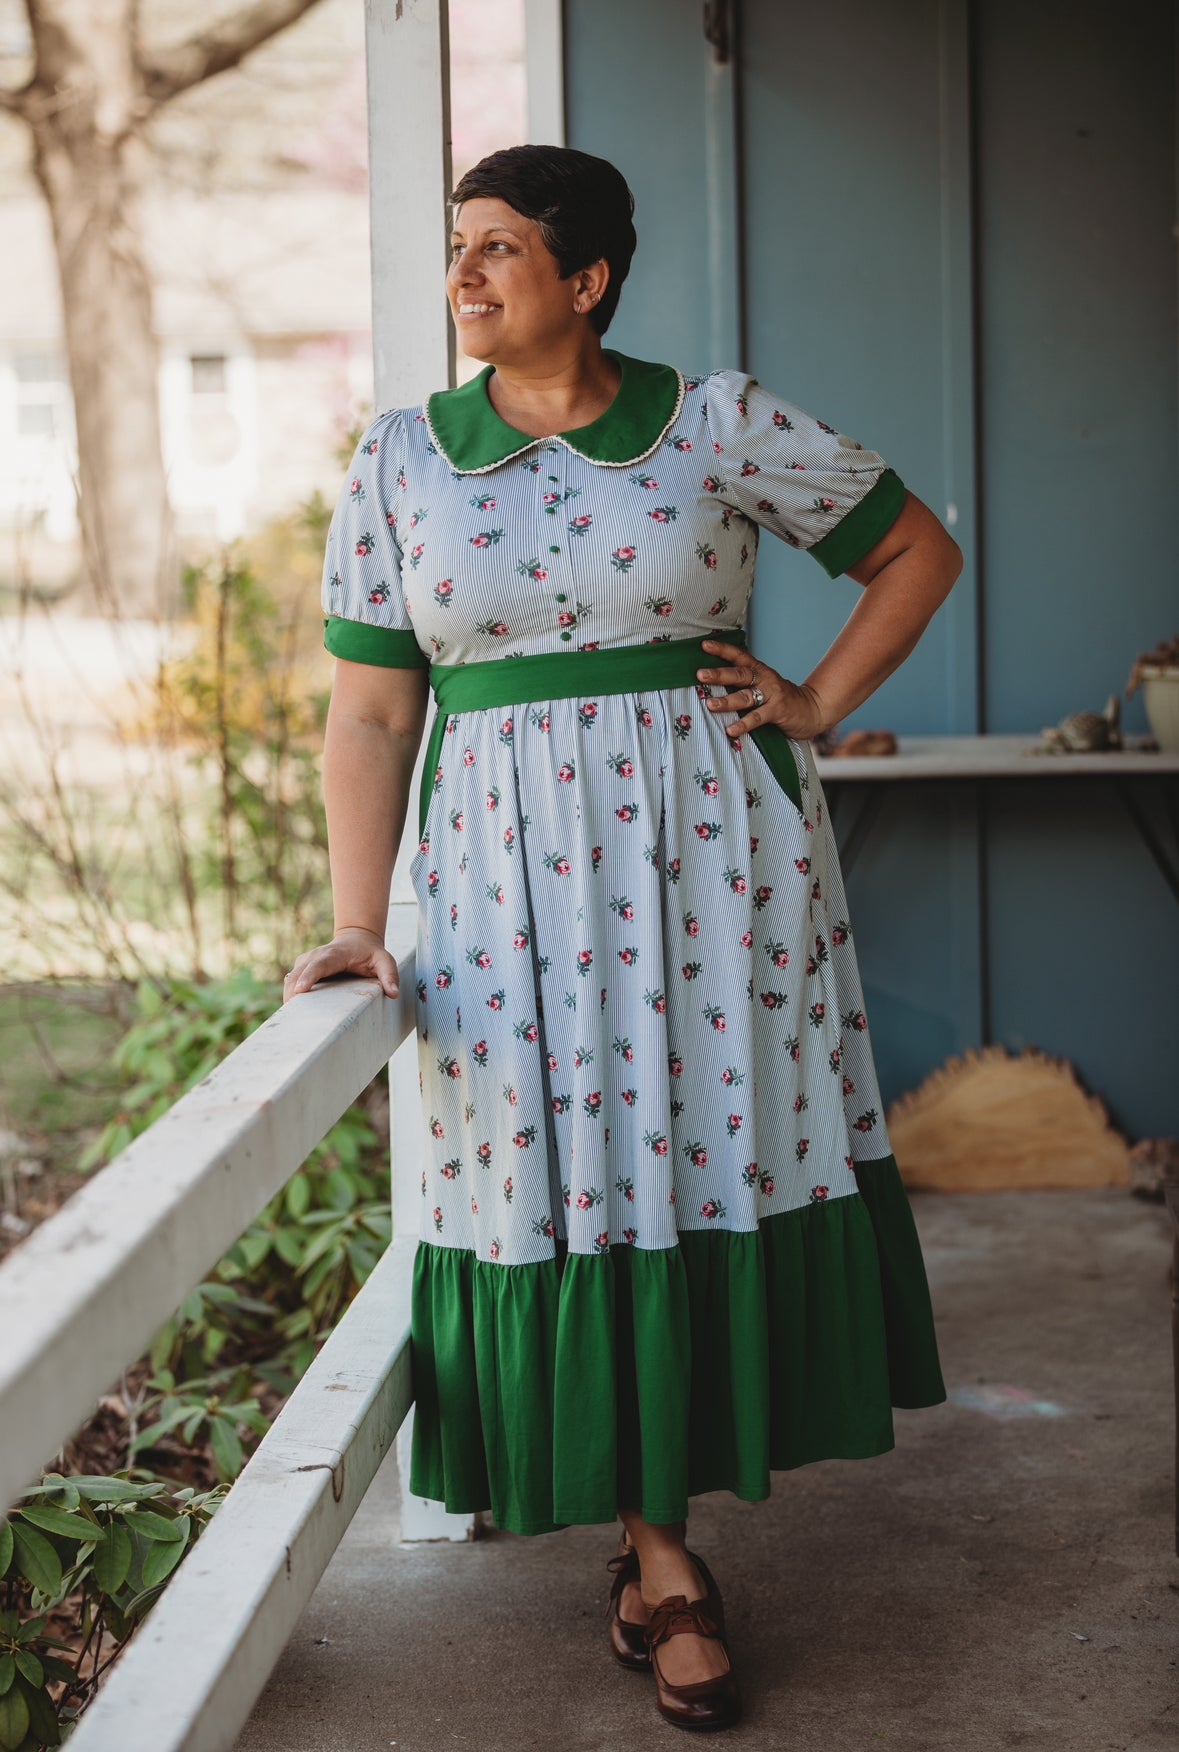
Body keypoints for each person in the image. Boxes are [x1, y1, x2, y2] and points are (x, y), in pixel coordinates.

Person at [285, 143, 960, 1733]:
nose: (465, 275)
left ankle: (664, 1559)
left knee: (693, 1166)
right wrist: (355, 921)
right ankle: (647, 1543)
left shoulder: (714, 424)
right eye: (458, 247)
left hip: (712, 870)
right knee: (564, 1176)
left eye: (501, 250)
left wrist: (812, 706)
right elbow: (373, 713)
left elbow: (912, 548)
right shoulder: (402, 459)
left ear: (586, 282)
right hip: (501, 893)